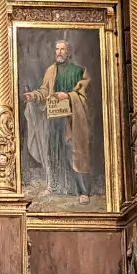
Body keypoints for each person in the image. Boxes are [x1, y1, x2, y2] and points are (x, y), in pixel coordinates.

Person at [21, 38, 93, 202]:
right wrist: (33, 96)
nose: (59, 52)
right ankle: (54, 186)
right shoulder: (51, 71)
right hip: (54, 120)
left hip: (72, 119)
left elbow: (84, 95)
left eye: (62, 49)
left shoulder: (79, 71)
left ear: (69, 52)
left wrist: (67, 95)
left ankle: (82, 191)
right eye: (57, 49)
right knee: (53, 150)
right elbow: (45, 91)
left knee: (73, 152)